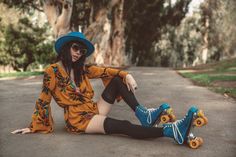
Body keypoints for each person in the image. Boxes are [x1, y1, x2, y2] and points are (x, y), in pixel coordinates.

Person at [11, 32, 204, 146]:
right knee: (122, 126)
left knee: (117, 80)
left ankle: (144, 114)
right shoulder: (51, 72)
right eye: (76, 48)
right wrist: (33, 126)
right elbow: (44, 99)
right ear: (67, 47)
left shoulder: (83, 70)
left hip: (93, 109)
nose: (79, 53)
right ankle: (172, 131)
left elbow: (105, 70)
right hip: (79, 120)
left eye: (82, 51)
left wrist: (126, 74)